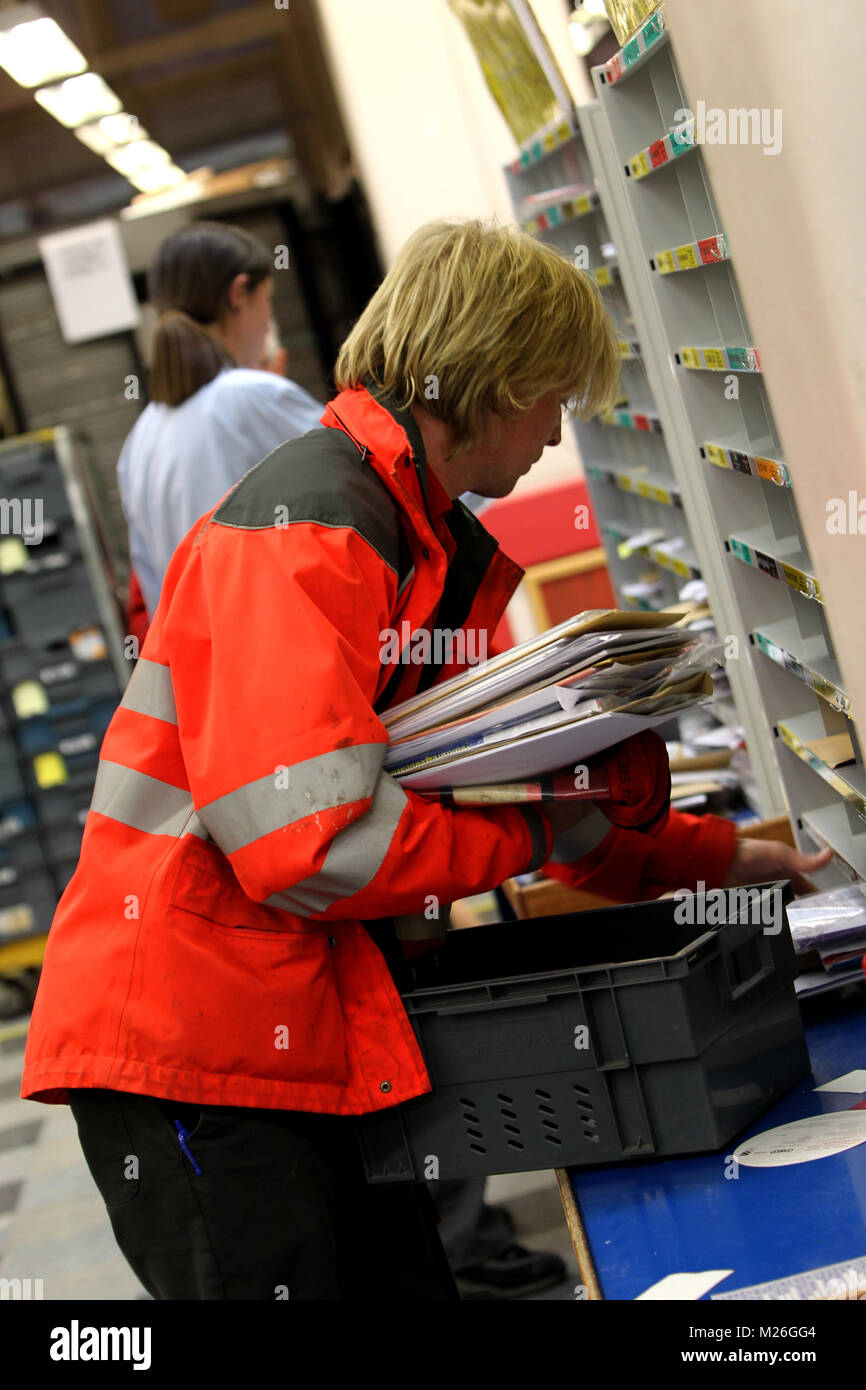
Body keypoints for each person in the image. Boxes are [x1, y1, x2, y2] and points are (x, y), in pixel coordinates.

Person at [20, 218, 829, 1301]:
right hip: (190, 1046)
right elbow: (313, 848)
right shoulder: (314, 530)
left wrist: (720, 856)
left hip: (303, 1015)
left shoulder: (422, 537)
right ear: (496, 378)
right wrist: (538, 830)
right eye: (553, 396)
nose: (555, 431)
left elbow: (510, 785)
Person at [118, 220, 323, 621]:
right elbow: (380, 480)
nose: (268, 321)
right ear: (238, 294)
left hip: (209, 675)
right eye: (267, 299)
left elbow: (154, 589)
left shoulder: (137, 444)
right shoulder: (250, 396)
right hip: (289, 647)